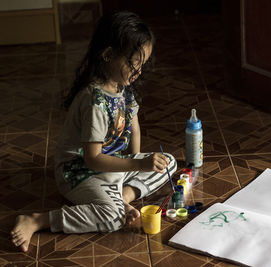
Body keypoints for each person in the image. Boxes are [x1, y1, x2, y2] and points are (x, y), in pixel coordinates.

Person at [10, 11, 177, 252]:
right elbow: (92, 159)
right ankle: (38, 220)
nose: (138, 72)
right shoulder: (95, 101)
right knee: (114, 218)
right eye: (134, 63)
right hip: (80, 172)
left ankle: (123, 197)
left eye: (142, 65)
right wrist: (138, 166)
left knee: (168, 162)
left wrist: (137, 160)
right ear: (109, 55)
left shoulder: (124, 87)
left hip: (113, 168)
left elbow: (134, 127)